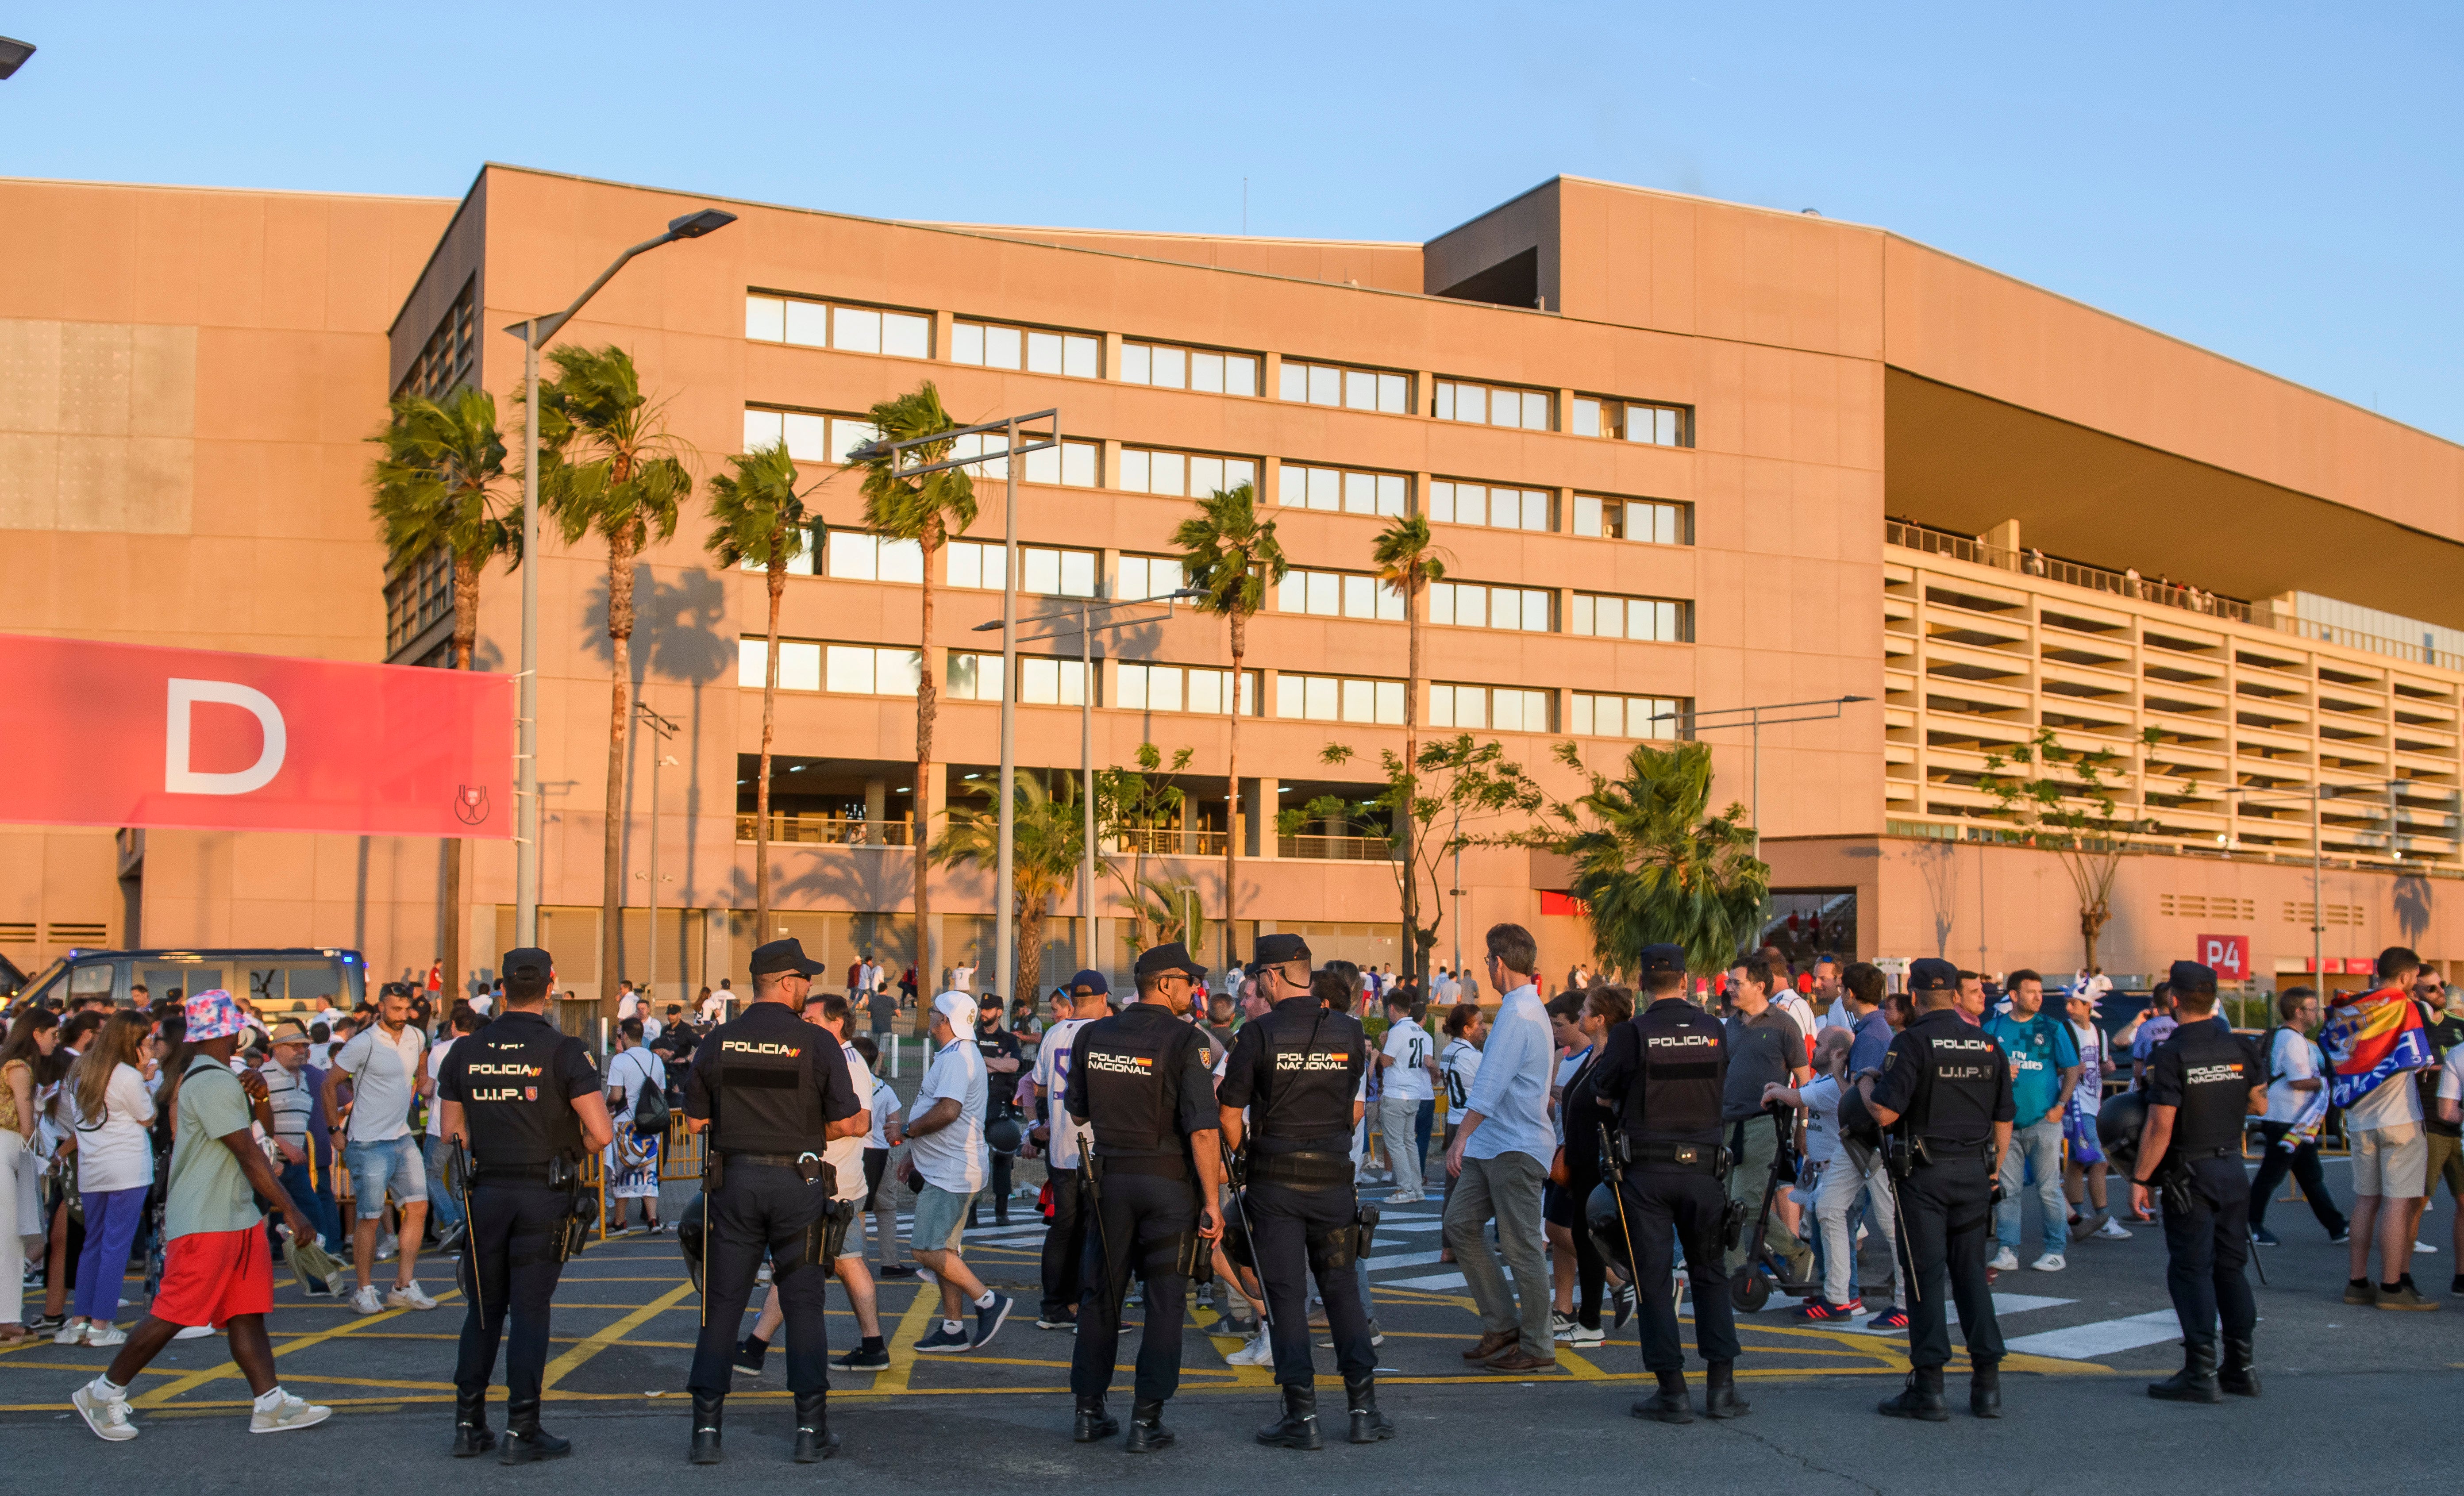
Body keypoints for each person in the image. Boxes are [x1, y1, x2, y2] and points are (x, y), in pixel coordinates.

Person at [71, 990, 330, 1442]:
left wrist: (260, 1096)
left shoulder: (218, 1077)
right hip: (209, 1219)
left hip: (232, 1215)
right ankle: (103, 1391)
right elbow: (250, 1154)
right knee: (173, 1314)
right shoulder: (211, 1081)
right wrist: (291, 1209)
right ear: (229, 1031)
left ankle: (269, 1402)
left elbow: (256, 1140)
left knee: (246, 1311)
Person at [680, 938, 866, 1464]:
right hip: (797, 1184)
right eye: (803, 978)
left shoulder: (719, 1040)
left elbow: (695, 1121)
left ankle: (707, 1433)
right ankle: (810, 1432)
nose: (808, 986)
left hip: (733, 1184)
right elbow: (846, 1120)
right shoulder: (816, 1042)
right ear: (785, 982)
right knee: (805, 1304)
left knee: (721, 1306)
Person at [437, 947, 615, 1461]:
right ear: (551, 985)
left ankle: (468, 1424)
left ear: (501, 988)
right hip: (543, 1192)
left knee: (483, 1311)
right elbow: (601, 1134)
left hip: (487, 1191)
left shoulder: (465, 1051)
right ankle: (522, 1429)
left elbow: (452, 1134)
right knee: (531, 1311)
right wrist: (563, 1146)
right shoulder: (564, 1049)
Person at [1217, 935, 1394, 1449]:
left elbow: (1230, 1115)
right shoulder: (1350, 1030)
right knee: (1341, 1294)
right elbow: (1354, 1106)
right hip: (1334, 1179)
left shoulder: (1259, 1033)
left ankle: (1303, 1417)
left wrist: (1248, 1157)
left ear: (1272, 976)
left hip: (1275, 1181)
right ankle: (1364, 1410)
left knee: (1287, 1298)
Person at [1061, 942, 1226, 1450]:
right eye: (1190, 982)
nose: (1195, 990)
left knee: (1100, 1298)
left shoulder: (1093, 1033)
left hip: (1111, 1180)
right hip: (1167, 1186)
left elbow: (1079, 1113)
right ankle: (1146, 1420)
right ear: (1168, 983)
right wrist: (1213, 1202)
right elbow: (1202, 1131)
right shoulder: (1186, 1040)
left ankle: (1089, 1413)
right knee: (1164, 1302)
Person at [1589, 943, 1744, 1421]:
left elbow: (1601, 1093)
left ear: (1640, 984)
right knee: (1711, 1275)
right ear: (1685, 980)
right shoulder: (1714, 1029)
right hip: (1704, 1171)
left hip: (1648, 1173)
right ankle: (1721, 1388)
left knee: (1654, 1281)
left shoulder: (1633, 1033)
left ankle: (1672, 1391)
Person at [1862, 957, 2014, 1421]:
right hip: (1974, 1173)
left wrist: (1868, 1084)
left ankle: (1929, 1389)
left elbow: (1885, 1115)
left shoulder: (1913, 1043)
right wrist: (1992, 1172)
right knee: (1970, 1277)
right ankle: (1987, 1386)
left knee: (1925, 1281)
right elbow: (2003, 1118)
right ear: (1954, 993)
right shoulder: (1988, 1044)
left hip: (1924, 1178)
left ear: (1913, 991)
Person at [2127, 960, 2267, 1402]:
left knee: (2191, 1270)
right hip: (2232, 1169)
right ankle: (2241, 1368)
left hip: (2190, 1174)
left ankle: (2200, 1371)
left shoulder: (2169, 1054)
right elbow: (2260, 1103)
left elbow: (2159, 1126)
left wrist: (2140, 1178)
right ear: (2213, 999)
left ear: (2174, 1001)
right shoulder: (2242, 1047)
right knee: (2231, 1269)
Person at [737, 992, 893, 1377]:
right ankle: (871, 1345)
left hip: (831, 1185)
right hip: (834, 1182)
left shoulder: (846, 1059)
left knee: (805, 1262)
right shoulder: (840, 1056)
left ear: (836, 1022)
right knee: (827, 1261)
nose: (803, 1023)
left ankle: (755, 1348)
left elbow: (857, 1123)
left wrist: (791, 1133)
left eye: (810, 1018)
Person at [1442, 924, 1558, 1373]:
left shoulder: (1519, 1012)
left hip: (1513, 1146)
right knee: (1461, 1224)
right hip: (1498, 1143)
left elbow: (1491, 1084)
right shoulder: (1523, 1009)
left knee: (1521, 1246)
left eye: (1489, 960)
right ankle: (1504, 1324)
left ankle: (1537, 1344)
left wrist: (1464, 1135)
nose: (1487, 967)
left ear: (1500, 963)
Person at [2325, 946, 2440, 1310]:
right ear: (2408, 977)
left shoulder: (2352, 1008)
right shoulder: (2405, 1007)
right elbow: (2419, 1057)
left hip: (2360, 1118)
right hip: (2399, 1116)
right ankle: (2393, 1288)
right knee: (2398, 1203)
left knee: (2365, 1200)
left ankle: (2357, 1283)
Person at [907, 991, 1012, 1353]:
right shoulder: (959, 1054)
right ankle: (953, 1327)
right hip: (949, 1167)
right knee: (946, 1251)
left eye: (934, 1010)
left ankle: (987, 1300)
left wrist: (909, 1132)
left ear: (945, 1020)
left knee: (925, 1249)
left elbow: (948, 1111)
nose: (930, 1015)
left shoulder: (957, 1058)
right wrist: (913, 1153)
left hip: (951, 1172)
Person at [323, 982, 435, 1316]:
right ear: (382, 1007)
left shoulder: (417, 1036)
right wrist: (334, 1132)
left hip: (402, 1137)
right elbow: (330, 1084)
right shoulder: (363, 1043)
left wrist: (430, 1086)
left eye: (406, 1009)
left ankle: (403, 1284)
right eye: (395, 1009)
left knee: (418, 1207)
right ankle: (364, 1289)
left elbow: (423, 1071)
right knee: (370, 1217)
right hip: (368, 1141)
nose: (402, 1015)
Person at [59, 1011, 155, 1346]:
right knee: (116, 1246)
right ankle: (101, 1325)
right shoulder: (127, 1074)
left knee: (93, 1244)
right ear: (133, 1042)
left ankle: (79, 1322)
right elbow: (147, 1117)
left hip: (92, 1167)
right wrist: (144, 1075)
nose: (150, 1046)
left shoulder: (78, 1070)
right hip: (128, 1167)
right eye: (145, 1041)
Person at [1721, 954, 1814, 1285]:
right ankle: (1734, 1275)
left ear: (1760, 986)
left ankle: (1796, 1251)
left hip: (1765, 1121)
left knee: (1745, 1202)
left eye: (1737, 982)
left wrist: (1803, 1128)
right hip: (1727, 1123)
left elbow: (1805, 1081)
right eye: (1729, 981)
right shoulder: (1729, 1025)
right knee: (1724, 1203)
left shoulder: (1784, 1024)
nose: (1729, 987)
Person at [1984, 969, 2080, 1273]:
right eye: (2031, 992)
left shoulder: (2052, 1028)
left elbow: (2073, 1069)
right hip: (2005, 1124)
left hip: (2044, 1121)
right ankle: (2007, 1248)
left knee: (2049, 1189)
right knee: (2008, 1190)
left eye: (2040, 992)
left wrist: (2061, 1106)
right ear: (2013, 995)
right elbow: (1982, 1073)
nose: (2039, 997)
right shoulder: (1993, 1028)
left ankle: (2055, 1250)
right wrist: (1999, 1075)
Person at [1033, 971, 1108, 1331]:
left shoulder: (1053, 1033)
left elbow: (1037, 1085)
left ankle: (1053, 1304)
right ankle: (1085, 1305)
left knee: (1064, 1225)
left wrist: (1038, 1125)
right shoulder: (1102, 1033)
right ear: (1104, 998)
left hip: (1061, 1145)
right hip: (1093, 1144)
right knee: (1095, 1227)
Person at [2248, 985, 2346, 1246]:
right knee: (2271, 1175)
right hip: (2286, 1119)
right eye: (2313, 1009)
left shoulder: (2294, 1039)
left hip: (2297, 1119)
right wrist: (2327, 1083)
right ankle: (2250, 1226)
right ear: (2299, 1012)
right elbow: (2299, 1081)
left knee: (2311, 1177)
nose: (2318, 1013)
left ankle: (2337, 1227)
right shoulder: (2291, 1040)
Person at [1, 1008, 61, 1342]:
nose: (56, 1040)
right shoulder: (20, 1068)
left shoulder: (6, 1062)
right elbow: (26, 1126)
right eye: (53, 1033)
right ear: (36, 1033)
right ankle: (6, 1318)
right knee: (10, 1239)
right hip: (9, 1152)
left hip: (6, 1152)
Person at [2059, 976, 2132, 1244]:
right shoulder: (2064, 1031)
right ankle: (2104, 1219)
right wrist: (2066, 1070)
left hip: (2093, 1103)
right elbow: (2054, 1066)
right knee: (2099, 1162)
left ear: (2089, 1005)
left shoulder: (2099, 1033)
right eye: (2068, 1003)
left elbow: (2099, 1067)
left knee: (2078, 1163)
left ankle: (2076, 1220)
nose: (2069, 1008)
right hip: (2074, 1106)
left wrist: (2107, 1068)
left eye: (2075, 1003)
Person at [259, 1022, 340, 1255]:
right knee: (257, 1221)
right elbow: (251, 1122)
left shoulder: (303, 1079)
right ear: (278, 1048)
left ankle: (320, 1279)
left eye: (304, 1046)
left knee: (314, 1218)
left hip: (294, 1165)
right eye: (295, 1046)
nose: (301, 1051)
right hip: (268, 1163)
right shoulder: (264, 1077)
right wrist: (280, 1144)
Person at [2412, 969, 2464, 1273]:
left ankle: (2461, 1276)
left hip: (2458, 1125)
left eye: (2441, 985)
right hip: (2431, 1124)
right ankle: (2401, 1276)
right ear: (2415, 993)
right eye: (2431, 988)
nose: (2440, 992)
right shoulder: (2413, 1027)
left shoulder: (2459, 1026)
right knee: (2417, 1201)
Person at [424, 1004, 481, 1249]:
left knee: (430, 1174)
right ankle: (467, 1229)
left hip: (441, 1123)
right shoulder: (481, 1050)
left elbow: (427, 1088)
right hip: (470, 1126)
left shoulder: (439, 1051)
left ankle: (452, 1220)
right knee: (461, 1179)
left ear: (453, 1025)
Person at [604, 1018, 668, 1233]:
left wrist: (606, 1106)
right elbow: (661, 1094)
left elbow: (616, 1095)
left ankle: (620, 1222)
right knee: (649, 1171)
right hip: (651, 1124)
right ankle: (653, 1221)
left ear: (626, 1036)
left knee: (623, 1172)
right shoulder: (655, 1060)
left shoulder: (620, 1061)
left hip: (625, 1124)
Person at [1375, 990, 1435, 1203]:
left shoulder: (1398, 1031)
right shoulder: (1418, 1030)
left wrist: (1382, 1045)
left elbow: (1386, 1061)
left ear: (1392, 1008)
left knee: (1396, 1143)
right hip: (1414, 1092)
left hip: (1397, 1093)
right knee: (1409, 1141)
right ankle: (1416, 1188)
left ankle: (1406, 1188)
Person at [974, 994, 1024, 1226]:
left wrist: (985, 1062)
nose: (982, 1012)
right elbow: (969, 1064)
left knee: (1003, 1157)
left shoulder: (1009, 1040)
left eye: (987, 1009)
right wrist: (997, 1064)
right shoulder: (972, 1037)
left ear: (999, 1012)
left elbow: (1013, 1065)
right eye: (981, 1009)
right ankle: (971, 1214)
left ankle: (1001, 1212)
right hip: (975, 1104)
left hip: (1000, 1105)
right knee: (973, 1159)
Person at [1438, 1000, 1486, 1153]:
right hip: (1471, 1125)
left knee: (1453, 1173)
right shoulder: (1474, 1057)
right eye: (1480, 1023)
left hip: (1453, 1121)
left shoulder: (1447, 1051)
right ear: (1467, 1029)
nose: (1484, 1027)